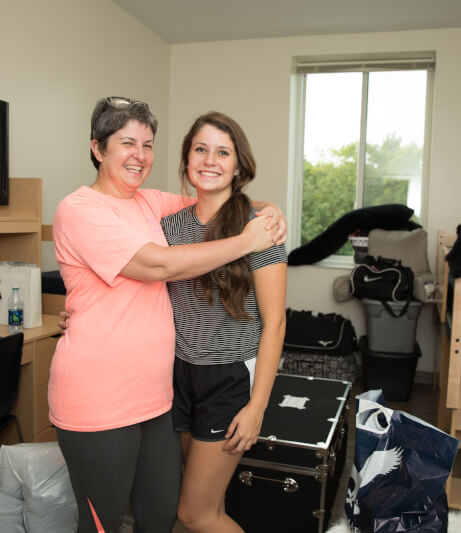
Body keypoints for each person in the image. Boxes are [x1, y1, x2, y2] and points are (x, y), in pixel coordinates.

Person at [49, 97, 285, 533]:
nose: (139, 155)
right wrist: (251, 238)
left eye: (147, 144)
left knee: (164, 516)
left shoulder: (149, 203)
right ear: (98, 149)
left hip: (163, 394)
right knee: (108, 521)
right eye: (126, 143)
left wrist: (266, 212)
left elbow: (217, 197)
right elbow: (160, 265)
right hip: (105, 395)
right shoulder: (81, 209)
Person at [164, 112, 287, 533]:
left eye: (223, 151)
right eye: (200, 149)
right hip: (177, 374)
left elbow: (276, 324)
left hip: (230, 378)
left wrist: (257, 407)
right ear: (186, 158)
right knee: (197, 499)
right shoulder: (169, 226)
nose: (210, 160)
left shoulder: (261, 227)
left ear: (238, 165)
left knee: (195, 513)